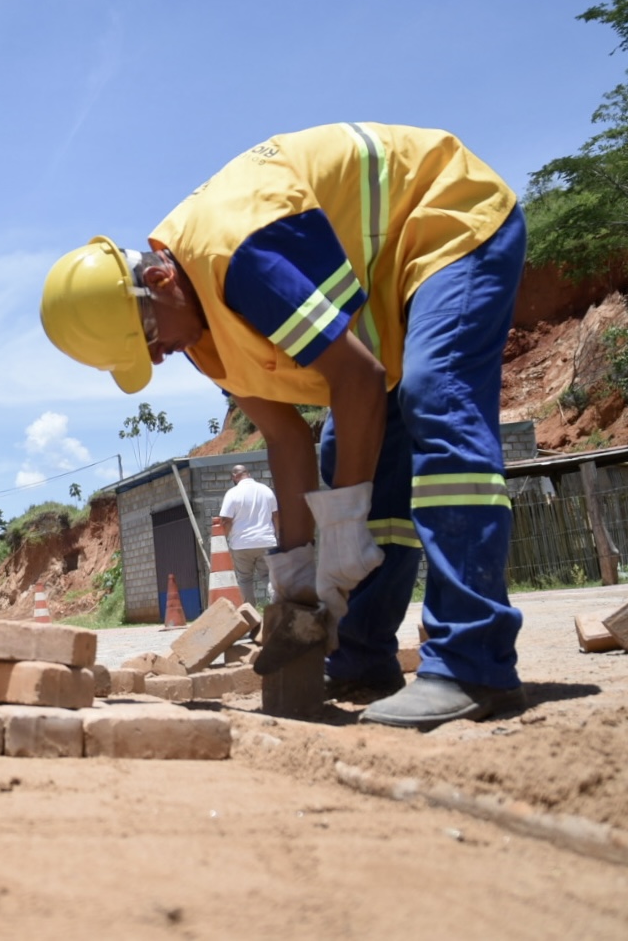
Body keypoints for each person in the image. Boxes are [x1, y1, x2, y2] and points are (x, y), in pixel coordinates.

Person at [40, 122, 526, 729]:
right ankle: (362, 658)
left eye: (147, 337)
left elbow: (356, 381)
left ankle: (471, 661)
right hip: (388, 305)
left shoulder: (238, 258)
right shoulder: (196, 324)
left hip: (446, 220)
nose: (158, 356)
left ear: (159, 280)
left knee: (436, 397)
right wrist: (294, 572)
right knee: (341, 451)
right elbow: (286, 436)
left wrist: (343, 529)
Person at [218, 465, 277, 606]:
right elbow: (276, 516)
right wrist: (277, 536)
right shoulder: (266, 490)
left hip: (241, 544)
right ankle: (277, 605)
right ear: (248, 474)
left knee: (245, 579)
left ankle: (250, 614)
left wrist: (224, 540)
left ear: (234, 477)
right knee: (269, 577)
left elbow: (225, 520)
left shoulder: (232, 493)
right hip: (267, 541)